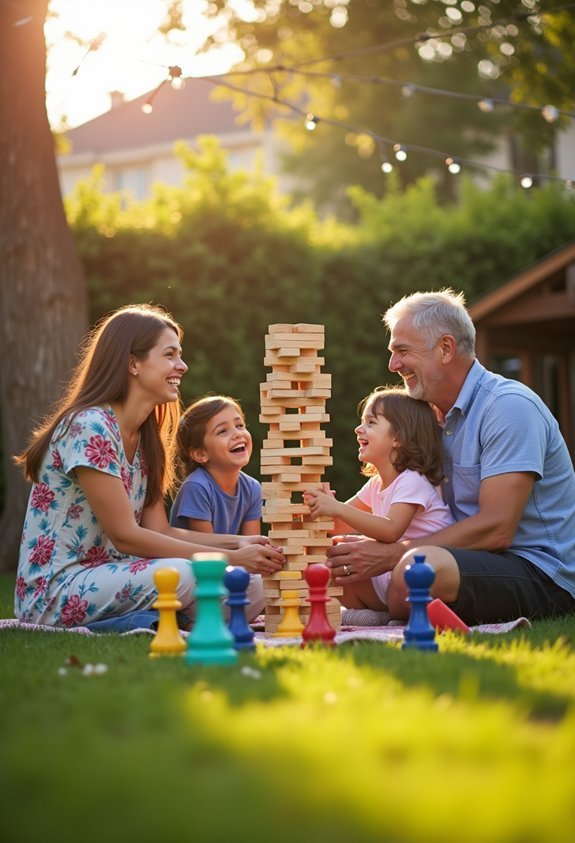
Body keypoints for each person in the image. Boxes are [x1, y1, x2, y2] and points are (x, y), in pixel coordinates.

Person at [14, 304, 284, 629]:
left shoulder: (147, 441)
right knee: (187, 574)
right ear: (133, 363)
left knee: (250, 585)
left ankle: (154, 619)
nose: (182, 366)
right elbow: (126, 536)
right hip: (57, 589)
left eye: (180, 356)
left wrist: (238, 543)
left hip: (119, 576)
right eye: (170, 355)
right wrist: (230, 557)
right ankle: (158, 619)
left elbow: (160, 530)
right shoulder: (90, 426)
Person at [327, 289, 575, 625]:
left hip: (538, 574)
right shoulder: (428, 421)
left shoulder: (508, 407)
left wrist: (390, 554)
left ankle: (385, 611)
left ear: (446, 348)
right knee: (342, 565)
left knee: (417, 570)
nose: (392, 365)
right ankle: (385, 612)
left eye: (402, 351)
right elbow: (357, 511)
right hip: (467, 561)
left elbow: (497, 529)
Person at [304, 387, 454, 625]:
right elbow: (337, 525)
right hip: (386, 578)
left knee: (404, 579)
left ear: (399, 438)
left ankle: (392, 615)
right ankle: (384, 616)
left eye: (371, 423)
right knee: (330, 564)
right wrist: (322, 506)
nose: (358, 429)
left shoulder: (412, 479)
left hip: (419, 576)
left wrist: (338, 508)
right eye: (362, 422)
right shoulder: (376, 484)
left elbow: (392, 529)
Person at [171, 395, 262, 536]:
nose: (238, 433)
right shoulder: (197, 487)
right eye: (222, 431)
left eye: (239, 425)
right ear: (200, 454)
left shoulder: (252, 488)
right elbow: (208, 550)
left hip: (232, 557)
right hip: (196, 557)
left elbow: (253, 542)